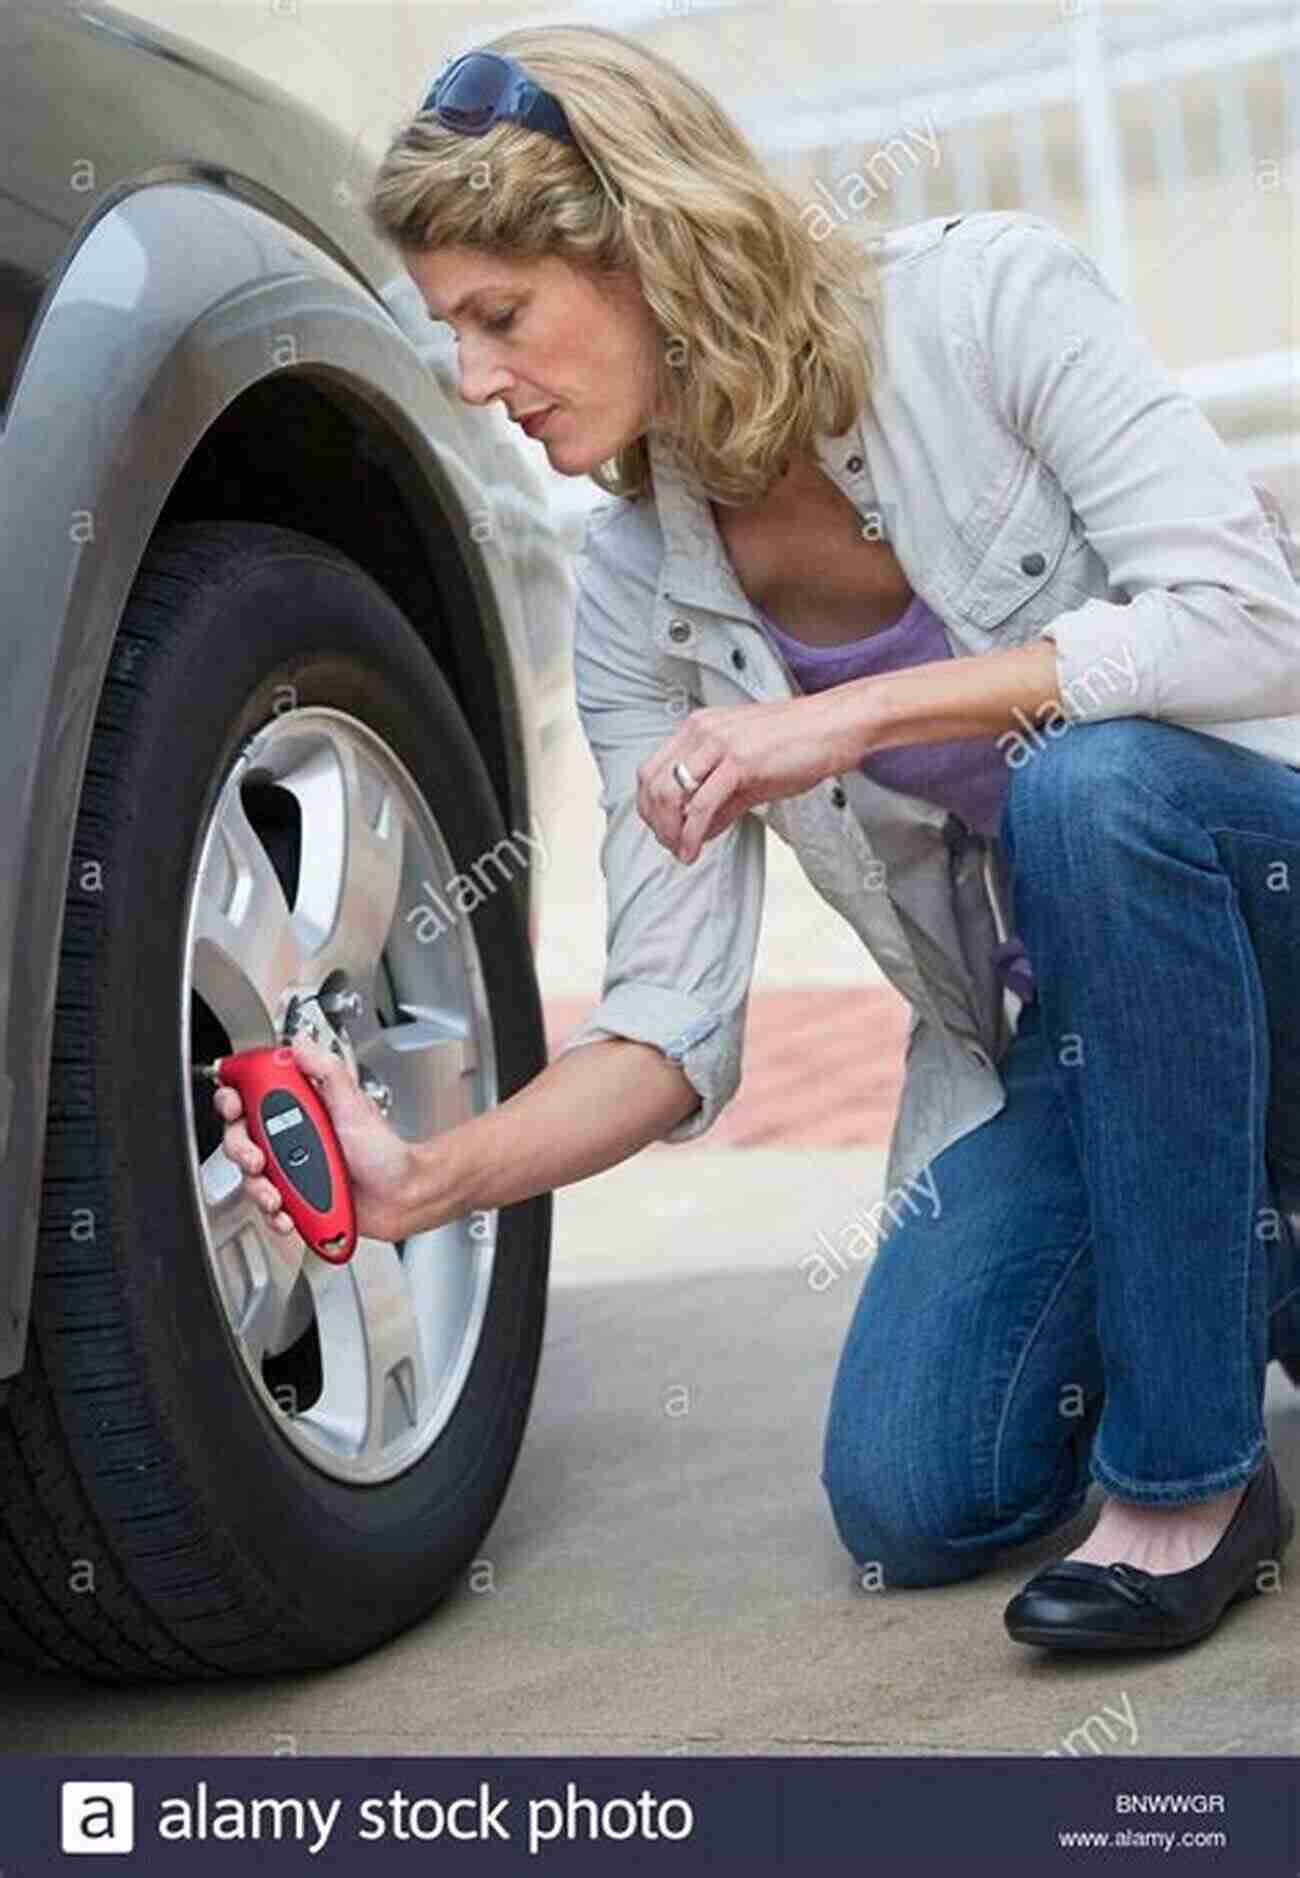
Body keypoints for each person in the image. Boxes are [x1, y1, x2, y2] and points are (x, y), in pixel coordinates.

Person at [214, 25, 1300, 1652]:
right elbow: (667, 1027)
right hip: (1089, 1043)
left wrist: (850, 715)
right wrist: (423, 1179)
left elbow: (1249, 622)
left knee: (1095, 788)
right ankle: (1242, 1256)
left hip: (1256, 903)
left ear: (646, 245)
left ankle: (1194, 1486)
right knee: (913, 1484)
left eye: (501, 319)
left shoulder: (983, 308)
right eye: (452, 335)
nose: (476, 382)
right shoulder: (639, 598)